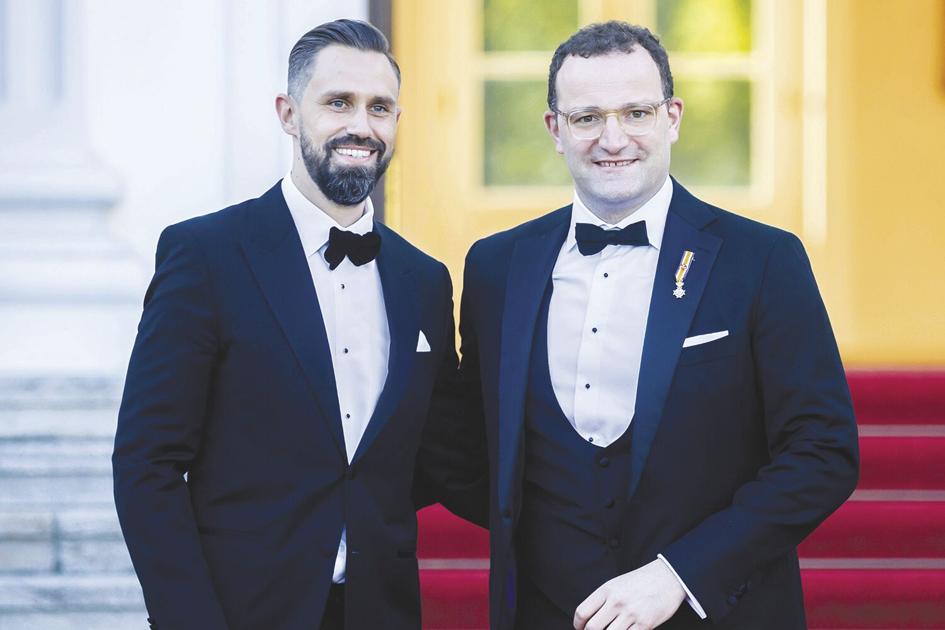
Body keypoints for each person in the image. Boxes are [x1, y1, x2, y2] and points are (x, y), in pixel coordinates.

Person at [450, 21, 859, 630]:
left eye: (636, 113)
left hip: (720, 613)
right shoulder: (494, 267)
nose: (613, 138)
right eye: (587, 118)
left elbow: (824, 452)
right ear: (555, 129)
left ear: (672, 117)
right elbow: (466, 450)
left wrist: (681, 573)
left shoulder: (764, 260)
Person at [112, 19, 459, 630]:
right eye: (338, 102)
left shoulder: (425, 281)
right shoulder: (206, 256)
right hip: (240, 612)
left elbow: (441, 458)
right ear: (289, 114)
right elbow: (148, 463)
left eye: (379, 107)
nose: (362, 125)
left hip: (379, 612)